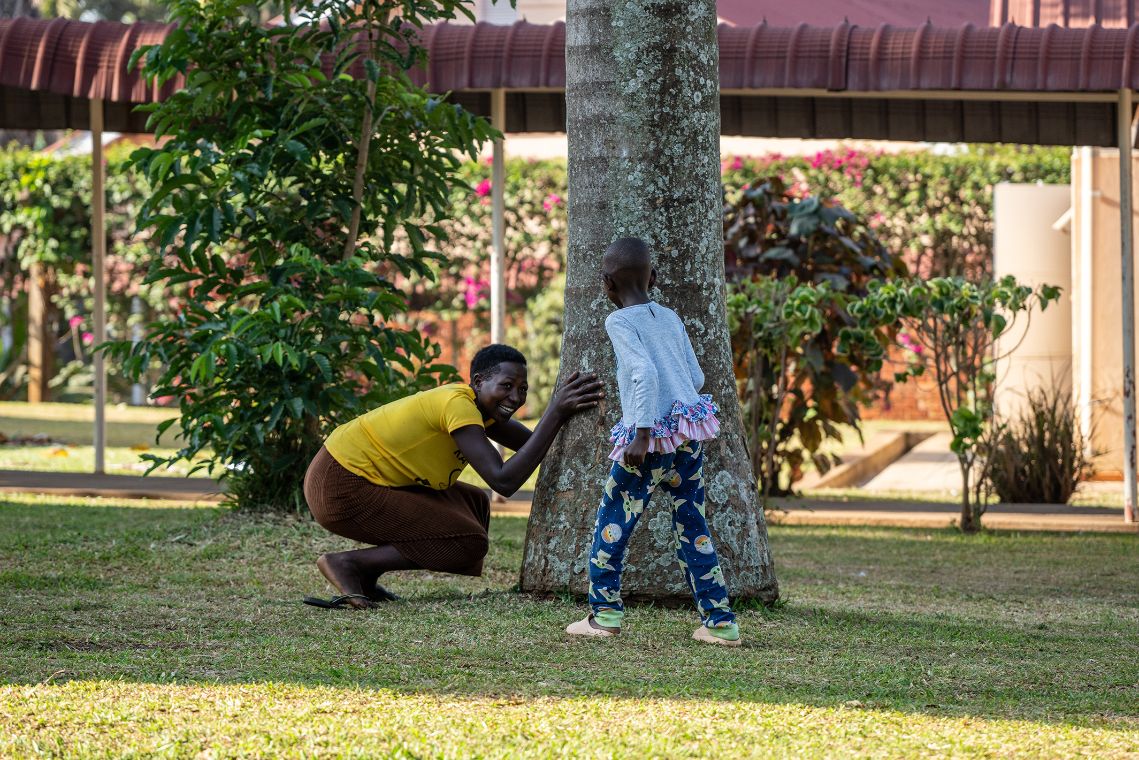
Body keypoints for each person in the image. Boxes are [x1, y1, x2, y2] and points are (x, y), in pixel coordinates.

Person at [302, 344, 603, 609]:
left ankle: (367, 572)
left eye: (522, 389)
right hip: (339, 484)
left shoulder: (482, 409)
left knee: (475, 504)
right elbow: (504, 481)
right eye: (507, 386)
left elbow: (534, 445)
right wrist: (555, 412)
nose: (515, 397)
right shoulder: (457, 404)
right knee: (469, 543)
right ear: (478, 382)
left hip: (358, 476)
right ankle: (348, 563)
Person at [565, 237, 741, 646]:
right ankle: (720, 623)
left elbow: (642, 372)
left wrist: (642, 433)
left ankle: (605, 616)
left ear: (607, 283)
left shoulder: (619, 321)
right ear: (654, 278)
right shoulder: (670, 317)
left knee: (613, 521)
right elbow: (695, 377)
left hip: (647, 442)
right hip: (686, 438)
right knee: (693, 526)